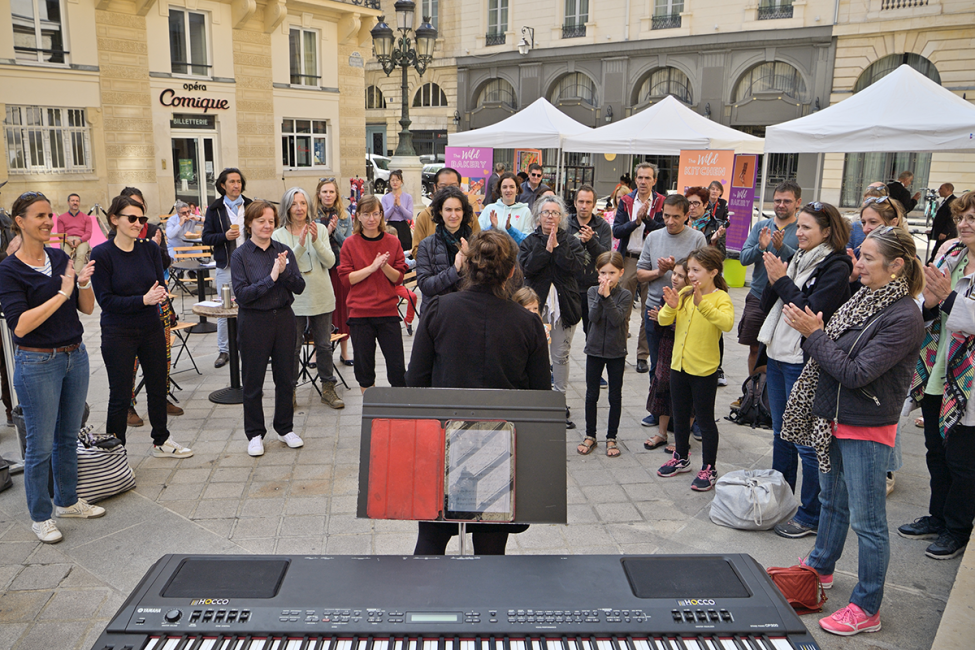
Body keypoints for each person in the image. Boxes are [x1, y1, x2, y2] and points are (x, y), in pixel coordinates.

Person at [781, 226, 925, 636]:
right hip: (835, 419)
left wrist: (815, 336)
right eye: (858, 254)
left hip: (866, 426)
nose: (856, 263)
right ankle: (821, 567)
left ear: (896, 266)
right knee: (831, 502)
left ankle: (867, 607)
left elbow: (855, 372)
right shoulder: (865, 298)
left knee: (868, 522)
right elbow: (837, 355)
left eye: (866, 258)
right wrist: (818, 335)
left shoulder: (903, 315)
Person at [407, 229, 549, 555]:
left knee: (431, 539)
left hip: (444, 440)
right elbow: (540, 397)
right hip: (499, 446)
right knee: (490, 546)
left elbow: (414, 381)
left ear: (468, 267)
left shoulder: (440, 309)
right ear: (512, 272)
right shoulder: (527, 324)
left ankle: (425, 605)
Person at [0, 191, 104, 544]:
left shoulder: (60, 258)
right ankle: (40, 515)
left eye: (50, 215)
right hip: (37, 361)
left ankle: (68, 501)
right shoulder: (9, 270)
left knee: (67, 437)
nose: (48, 221)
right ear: (21, 221)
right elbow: (20, 325)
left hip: (75, 356)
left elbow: (86, 308)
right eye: (40, 216)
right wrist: (60, 294)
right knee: (40, 445)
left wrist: (83, 284)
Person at [758, 202, 853, 539]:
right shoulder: (798, 257)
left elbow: (811, 309)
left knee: (806, 442)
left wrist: (781, 280)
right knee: (781, 434)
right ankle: (779, 502)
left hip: (804, 360)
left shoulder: (836, 265)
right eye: (799, 227)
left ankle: (811, 514)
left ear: (826, 231)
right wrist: (777, 279)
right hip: (778, 351)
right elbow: (781, 302)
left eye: (807, 228)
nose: (799, 233)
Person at [899, 191, 975, 561]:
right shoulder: (949, 254)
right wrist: (929, 301)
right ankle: (937, 515)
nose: (964, 224)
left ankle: (958, 529)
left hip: (969, 381)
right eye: (961, 217)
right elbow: (925, 300)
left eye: (972, 218)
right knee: (935, 451)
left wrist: (945, 299)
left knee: (963, 460)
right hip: (936, 368)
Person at [90, 196, 193, 458]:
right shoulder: (102, 254)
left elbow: (159, 282)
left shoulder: (148, 249)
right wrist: (143, 299)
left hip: (150, 327)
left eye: (142, 219)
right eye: (132, 218)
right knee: (121, 395)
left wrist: (158, 296)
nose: (139, 224)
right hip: (118, 332)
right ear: (114, 219)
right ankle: (116, 452)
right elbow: (106, 301)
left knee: (158, 387)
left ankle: (162, 439)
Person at [656, 246, 734, 491]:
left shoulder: (721, 297)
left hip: (704, 371)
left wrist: (703, 304)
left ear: (713, 272)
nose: (690, 275)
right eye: (689, 269)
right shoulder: (686, 292)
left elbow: (727, 324)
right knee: (679, 415)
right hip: (678, 366)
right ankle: (681, 456)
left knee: (705, 419)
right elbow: (663, 320)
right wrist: (670, 305)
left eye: (696, 270)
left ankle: (709, 468)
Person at [232, 200, 306, 457]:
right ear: (250, 223)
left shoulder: (284, 251)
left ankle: (285, 428)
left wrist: (284, 272)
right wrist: (272, 277)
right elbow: (243, 295)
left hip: (284, 318)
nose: (266, 225)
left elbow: (299, 286)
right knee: (253, 381)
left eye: (270, 221)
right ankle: (254, 433)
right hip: (253, 321)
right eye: (261, 221)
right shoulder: (240, 255)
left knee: (285, 377)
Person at [636, 194, 707, 426]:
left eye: (676, 217)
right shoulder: (653, 237)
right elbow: (640, 274)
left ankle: (692, 418)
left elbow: (705, 277)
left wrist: (680, 273)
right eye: (666, 216)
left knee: (690, 367)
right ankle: (658, 411)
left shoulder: (697, 238)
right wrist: (660, 272)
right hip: (656, 308)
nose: (670, 221)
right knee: (658, 366)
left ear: (687, 215)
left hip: (687, 311)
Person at [272, 188, 344, 410]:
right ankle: (289, 390)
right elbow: (286, 266)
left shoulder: (319, 229)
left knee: (324, 345)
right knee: (292, 347)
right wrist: (302, 244)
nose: (300, 208)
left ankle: (328, 388)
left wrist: (315, 240)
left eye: (303, 203)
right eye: (294, 204)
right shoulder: (278, 235)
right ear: (287, 207)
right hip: (294, 300)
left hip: (321, 295)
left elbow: (331, 262)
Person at [519, 195, 586, 428]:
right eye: (546, 212)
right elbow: (527, 268)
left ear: (562, 218)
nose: (550, 217)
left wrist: (557, 249)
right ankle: (537, 400)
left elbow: (577, 268)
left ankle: (559, 402)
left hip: (564, 309)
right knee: (536, 355)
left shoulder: (571, 241)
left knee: (560, 355)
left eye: (555, 213)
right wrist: (545, 251)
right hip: (535, 310)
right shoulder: (529, 242)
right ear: (538, 217)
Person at [115, 188, 181, 425]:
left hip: (157, 306)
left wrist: (155, 247)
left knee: (162, 357)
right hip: (131, 310)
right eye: (131, 210)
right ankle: (128, 406)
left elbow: (166, 263)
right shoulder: (116, 240)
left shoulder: (153, 230)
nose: (137, 218)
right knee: (130, 361)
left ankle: (160, 397)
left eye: (140, 209)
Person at [337, 195, 409, 392]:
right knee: (365, 370)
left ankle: (398, 414)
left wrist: (383, 266)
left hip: (387, 313)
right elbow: (346, 280)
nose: (371, 219)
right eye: (366, 214)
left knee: (397, 369)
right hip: (360, 314)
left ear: (381, 215)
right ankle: (371, 414)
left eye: (376, 213)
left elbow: (399, 278)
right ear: (358, 216)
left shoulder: (392, 242)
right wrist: (371, 268)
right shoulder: (350, 244)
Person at [738, 180, 801, 376]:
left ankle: (769, 396)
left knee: (779, 350)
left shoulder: (802, 228)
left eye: (787, 201)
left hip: (786, 300)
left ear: (798, 202)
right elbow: (743, 258)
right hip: (758, 296)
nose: (781, 205)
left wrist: (783, 248)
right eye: (777, 200)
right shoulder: (761, 227)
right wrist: (761, 247)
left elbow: (802, 262)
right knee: (755, 349)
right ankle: (752, 394)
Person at [613, 162, 666, 374]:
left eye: (647, 178)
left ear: (654, 180)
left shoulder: (661, 202)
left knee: (649, 310)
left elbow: (663, 230)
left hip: (652, 260)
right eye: (640, 177)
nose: (643, 181)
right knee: (623, 307)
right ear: (635, 179)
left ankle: (643, 356)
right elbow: (617, 231)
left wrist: (647, 220)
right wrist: (636, 222)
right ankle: (620, 352)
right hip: (629, 259)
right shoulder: (626, 201)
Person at [578, 251, 631, 457]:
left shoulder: (625, 295)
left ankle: (611, 437)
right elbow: (593, 317)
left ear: (621, 273)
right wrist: (600, 296)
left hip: (616, 350)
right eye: (603, 272)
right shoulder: (592, 291)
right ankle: (590, 435)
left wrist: (607, 297)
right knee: (591, 394)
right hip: (594, 349)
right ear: (597, 273)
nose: (607, 277)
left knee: (614, 395)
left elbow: (617, 319)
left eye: (612, 272)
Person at [202, 168, 251, 369]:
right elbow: (206, 237)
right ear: (223, 185)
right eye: (232, 182)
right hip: (226, 265)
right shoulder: (215, 209)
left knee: (249, 307)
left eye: (239, 181)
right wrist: (224, 237)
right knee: (224, 309)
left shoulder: (250, 205)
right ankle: (224, 350)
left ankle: (249, 346)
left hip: (250, 264)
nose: (236, 185)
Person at [644, 259, 689, 451]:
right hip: (666, 348)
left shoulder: (693, 299)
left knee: (686, 394)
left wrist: (668, 320)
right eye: (674, 274)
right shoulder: (667, 295)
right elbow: (662, 328)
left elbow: (688, 327)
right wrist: (658, 319)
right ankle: (662, 433)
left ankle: (682, 439)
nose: (675, 278)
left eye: (681, 275)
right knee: (662, 385)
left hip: (685, 351)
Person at [315, 178, 354, 367]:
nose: (328, 195)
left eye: (331, 192)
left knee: (342, 308)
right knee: (318, 309)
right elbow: (310, 244)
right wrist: (325, 231)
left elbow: (348, 244)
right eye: (324, 192)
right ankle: (315, 352)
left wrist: (334, 231)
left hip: (339, 268)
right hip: (319, 268)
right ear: (319, 194)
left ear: (336, 194)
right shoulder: (312, 217)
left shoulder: (345, 216)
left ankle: (345, 352)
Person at [569, 184, 613, 340]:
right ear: (575, 203)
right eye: (580, 201)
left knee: (593, 334)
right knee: (564, 334)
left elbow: (606, 258)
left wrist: (591, 241)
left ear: (594, 204)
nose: (584, 206)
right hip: (569, 286)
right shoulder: (565, 224)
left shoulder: (603, 227)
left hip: (594, 286)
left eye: (588, 202)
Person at [416, 187, 474, 299]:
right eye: (448, 210)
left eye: (458, 209)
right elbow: (425, 285)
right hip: (438, 311)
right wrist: (455, 269)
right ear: (440, 211)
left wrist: (470, 262)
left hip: (468, 311)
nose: (453, 215)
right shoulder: (427, 245)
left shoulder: (476, 243)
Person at [412, 168, 480, 260]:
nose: (448, 190)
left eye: (453, 186)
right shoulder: (425, 216)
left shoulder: (469, 215)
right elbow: (417, 251)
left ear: (459, 187)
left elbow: (479, 245)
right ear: (435, 188)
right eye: (443, 187)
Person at [478, 172, 533, 243]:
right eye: (504, 187)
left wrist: (510, 229)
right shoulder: (489, 209)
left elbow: (528, 241)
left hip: (516, 254)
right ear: (500, 190)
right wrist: (492, 227)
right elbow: (478, 236)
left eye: (512, 187)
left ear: (517, 189)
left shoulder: (525, 211)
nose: (508, 190)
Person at [57, 193, 92, 275]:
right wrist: (68, 241)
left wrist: (79, 240)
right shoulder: (61, 218)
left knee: (81, 254)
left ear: (79, 203)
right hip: (66, 240)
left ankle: (75, 276)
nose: (75, 202)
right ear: (68, 202)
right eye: (72, 201)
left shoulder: (86, 218)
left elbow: (88, 233)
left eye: (77, 201)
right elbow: (60, 234)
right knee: (66, 256)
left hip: (81, 240)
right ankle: (68, 274)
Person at [688, 186, 727, 258]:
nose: (691, 207)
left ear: (705, 204)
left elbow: (721, 257)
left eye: (696, 203)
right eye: (689, 203)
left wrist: (713, 243)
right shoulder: (683, 224)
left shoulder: (717, 225)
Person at [380, 170, 414, 252]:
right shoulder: (385, 198)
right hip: (390, 226)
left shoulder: (408, 197)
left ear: (401, 182)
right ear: (389, 182)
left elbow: (409, 216)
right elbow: (384, 216)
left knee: (405, 251)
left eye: (397, 180)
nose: (395, 182)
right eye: (392, 180)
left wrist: (399, 205)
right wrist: (393, 206)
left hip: (403, 226)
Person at [928, 183, 957, 263]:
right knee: (936, 253)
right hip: (941, 233)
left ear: (948, 190)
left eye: (941, 189)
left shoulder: (953, 201)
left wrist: (945, 232)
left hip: (947, 234)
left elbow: (952, 218)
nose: (939, 191)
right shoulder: (945, 200)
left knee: (938, 253)